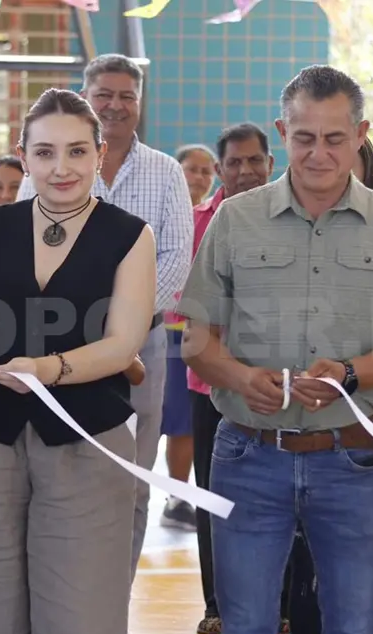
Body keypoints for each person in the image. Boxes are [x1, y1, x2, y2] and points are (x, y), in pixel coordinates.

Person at [178, 65, 373, 634]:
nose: (319, 153)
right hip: (247, 454)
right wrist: (242, 378)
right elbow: (196, 342)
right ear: (281, 133)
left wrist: (348, 375)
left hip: (353, 460)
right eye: (304, 138)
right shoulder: (234, 220)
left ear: (361, 134)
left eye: (335, 138)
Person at [0, 87, 155, 634]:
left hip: (88, 440)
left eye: (77, 151)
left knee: (80, 624)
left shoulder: (131, 234)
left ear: (100, 153)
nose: (62, 168)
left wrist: (45, 370)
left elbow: (123, 343)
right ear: (23, 155)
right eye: (46, 152)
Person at [17, 56, 193, 634]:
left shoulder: (165, 171)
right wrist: (81, 328)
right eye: (104, 94)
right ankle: (56, 612)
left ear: (139, 102)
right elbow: (27, 242)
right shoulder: (46, 166)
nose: (116, 105)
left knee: (133, 483)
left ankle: (110, 614)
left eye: (127, 95)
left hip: (143, 345)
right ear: (86, 99)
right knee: (56, 475)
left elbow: (176, 259)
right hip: (55, 344)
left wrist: (121, 329)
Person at [180, 122, 274, 634]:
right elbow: (185, 307)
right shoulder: (198, 223)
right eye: (234, 162)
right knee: (213, 496)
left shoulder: (290, 221)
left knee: (278, 497)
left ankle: (281, 603)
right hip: (210, 386)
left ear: (271, 164)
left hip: (278, 384)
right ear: (220, 170)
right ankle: (217, 603)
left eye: (254, 160)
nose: (245, 171)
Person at [160, 143, 218, 533]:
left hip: (210, 331)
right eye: (190, 169)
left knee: (197, 419)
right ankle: (176, 498)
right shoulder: (166, 217)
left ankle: (190, 496)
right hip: (171, 330)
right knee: (179, 421)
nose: (198, 177)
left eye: (205, 171)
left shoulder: (219, 216)